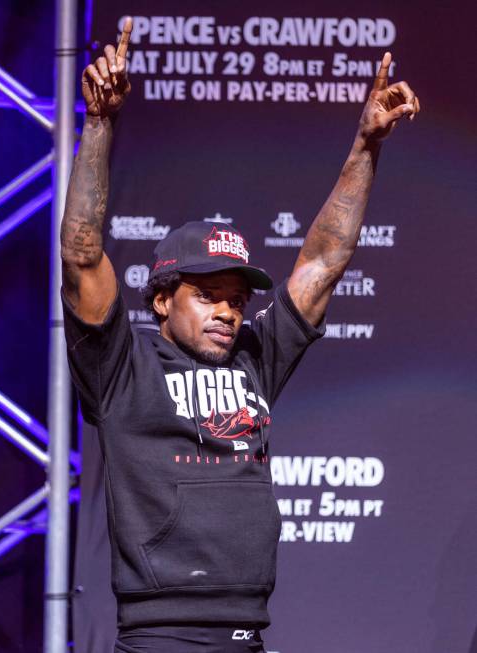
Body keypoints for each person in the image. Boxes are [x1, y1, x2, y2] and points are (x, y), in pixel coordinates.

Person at [61, 16, 419, 653]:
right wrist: (99, 126)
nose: (228, 312)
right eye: (208, 296)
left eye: (236, 300)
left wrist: (366, 146)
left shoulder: (254, 357)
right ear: (163, 299)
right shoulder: (121, 368)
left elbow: (321, 261)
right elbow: (84, 254)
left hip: (249, 636)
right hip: (158, 638)